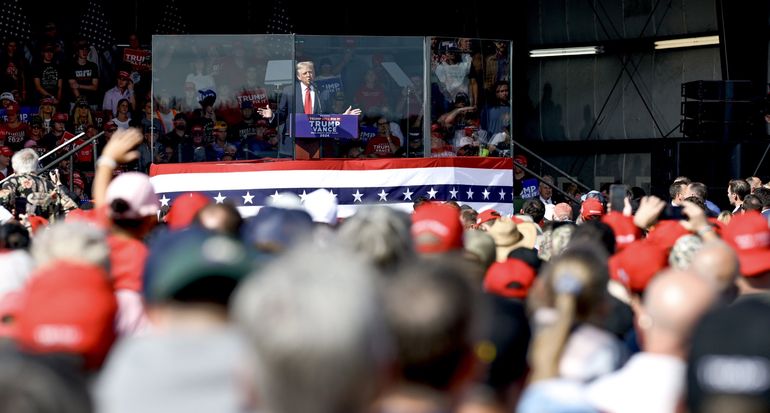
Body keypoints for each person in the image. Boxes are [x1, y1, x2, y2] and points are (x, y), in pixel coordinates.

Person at [258, 61, 361, 159]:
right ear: (298, 76)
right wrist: (272, 115)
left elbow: (326, 115)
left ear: (314, 74)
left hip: (315, 142)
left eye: (310, 72)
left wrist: (342, 116)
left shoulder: (319, 91)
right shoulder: (289, 91)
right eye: (305, 73)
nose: (308, 75)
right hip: (294, 142)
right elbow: (282, 114)